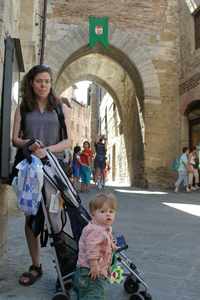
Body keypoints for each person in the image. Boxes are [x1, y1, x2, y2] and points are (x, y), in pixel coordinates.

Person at [12, 64, 71, 286]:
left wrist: (48, 149)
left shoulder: (60, 107)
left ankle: (64, 268)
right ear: (31, 83)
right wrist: (30, 144)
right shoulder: (23, 108)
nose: (43, 85)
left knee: (56, 217)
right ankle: (36, 265)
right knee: (31, 217)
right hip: (29, 168)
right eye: (39, 81)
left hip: (54, 168)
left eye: (47, 81)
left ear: (51, 83)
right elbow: (15, 138)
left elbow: (69, 141)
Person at [75, 193, 118, 300]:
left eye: (111, 212)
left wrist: (112, 245)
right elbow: (91, 248)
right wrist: (94, 265)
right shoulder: (95, 230)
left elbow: (107, 237)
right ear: (93, 213)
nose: (108, 214)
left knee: (89, 294)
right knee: (94, 294)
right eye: (103, 211)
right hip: (90, 271)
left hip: (95, 269)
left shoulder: (104, 227)